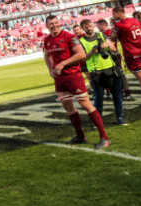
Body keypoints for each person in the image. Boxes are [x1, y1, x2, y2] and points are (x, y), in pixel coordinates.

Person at [42, 15, 110, 149]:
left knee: (85, 104)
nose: (54, 25)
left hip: (73, 76)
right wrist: (51, 70)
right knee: (68, 106)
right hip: (60, 79)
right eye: (51, 24)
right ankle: (80, 136)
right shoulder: (47, 40)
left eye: (56, 23)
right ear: (47, 26)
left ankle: (104, 138)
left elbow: (81, 54)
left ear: (59, 23)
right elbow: (46, 55)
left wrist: (62, 64)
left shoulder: (69, 37)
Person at [79, 19, 127, 125]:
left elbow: (114, 49)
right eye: (86, 27)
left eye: (90, 26)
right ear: (82, 29)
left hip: (110, 69)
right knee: (99, 98)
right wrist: (92, 51)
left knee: (117, 96)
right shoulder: (81, 41)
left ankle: (120, 117)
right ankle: (99, 121)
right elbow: (83, 58)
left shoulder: (102, 35)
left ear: (93, 25)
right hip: (96, 72)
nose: (88, 28)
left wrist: (107, 46)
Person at [108, 6, 141, 95]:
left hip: (131, 53)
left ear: (117, 12)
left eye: (113, 14)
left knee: (140, 75)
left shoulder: (119, 25)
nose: (113, 16)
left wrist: (113, 26)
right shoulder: (134, 20)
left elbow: (111, 38)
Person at [98, 18, 133, 101]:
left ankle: (126, 92)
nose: (97, 27)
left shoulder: (109, 32)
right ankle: (118, 92)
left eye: (98, 25)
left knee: (119, 74)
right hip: (109, 57)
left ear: (103, 25)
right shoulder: (104, 33)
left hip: (113, 56)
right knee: (112, 75)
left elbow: (110, 44)